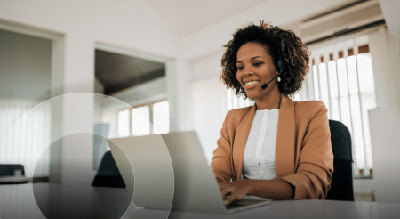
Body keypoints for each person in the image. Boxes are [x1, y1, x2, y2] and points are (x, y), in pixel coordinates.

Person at [211, 21, 333, 206]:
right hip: (242, 211)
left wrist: (248, 186)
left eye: (257, 63)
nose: (246, 73)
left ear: (279, 67)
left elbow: (313, 182)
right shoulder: (233, 119)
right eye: (240, 67)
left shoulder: (311, 112)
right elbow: (218, 172)